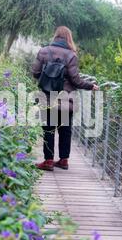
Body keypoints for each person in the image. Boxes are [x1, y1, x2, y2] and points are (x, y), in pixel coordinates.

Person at [31, 26, 99, 171]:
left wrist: (47, 76)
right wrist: (90, 86)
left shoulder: (44, 51)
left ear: (55, 36)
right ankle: (63, 160)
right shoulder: (71, 55)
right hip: (66, 97)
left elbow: (35, 72)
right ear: (69, 38)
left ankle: (48, 161)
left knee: (48, 129)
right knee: (65, 129)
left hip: (48, 96)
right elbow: (75, 80)